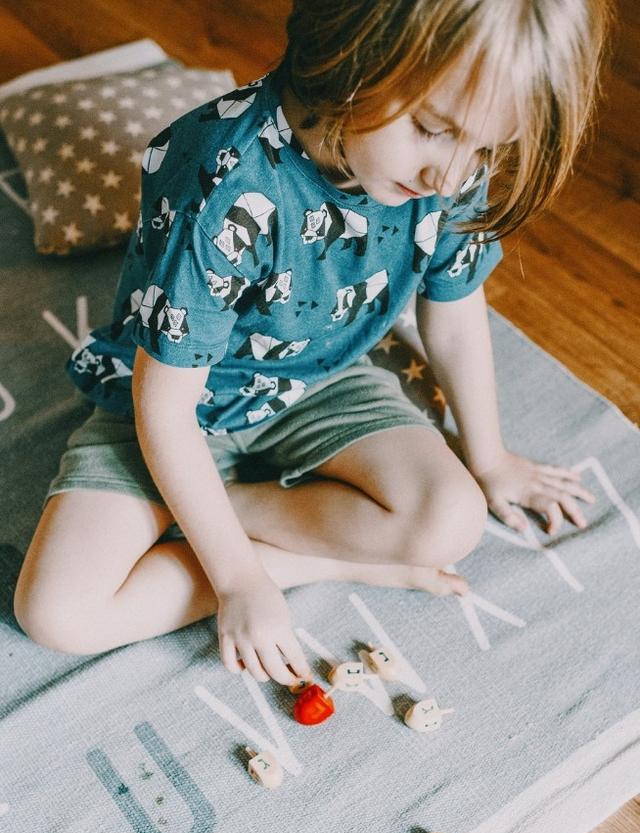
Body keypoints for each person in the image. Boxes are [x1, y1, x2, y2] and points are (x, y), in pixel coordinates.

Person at [14, 0, 610, 685]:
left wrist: (491, 457)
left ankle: (227, 516)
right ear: (349, 54)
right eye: (431, 129)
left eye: (484, 148)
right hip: (171, 405)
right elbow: (165, 411)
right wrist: (239, 580)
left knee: (451, 520)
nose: (449, 177)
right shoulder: (222, 179)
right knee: (55, 612)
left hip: (319, 379)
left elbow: (452, 316)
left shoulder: (450, 165)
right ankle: (302, 556)